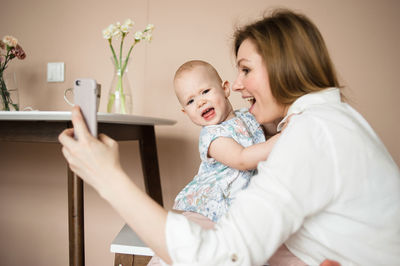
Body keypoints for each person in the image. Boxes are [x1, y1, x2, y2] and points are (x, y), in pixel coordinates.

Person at [58, 8, 400, 265]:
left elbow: (220, 257)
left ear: (284, 66)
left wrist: (108, 178)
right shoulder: (326, 121)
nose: (236, 85)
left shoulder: (312, 133)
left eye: (246, 70)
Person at [172, 59, 279, 222]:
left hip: (240, 204)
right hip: (209, 209)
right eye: (190, 101)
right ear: (186, 112)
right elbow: (242, 159)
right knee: (205, 244)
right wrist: (286, 136)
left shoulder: (247, 116)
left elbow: (270, 129)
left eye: (205, 91)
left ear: (225, 89)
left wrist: (288, 123)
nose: (200, 102)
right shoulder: (212, 136)